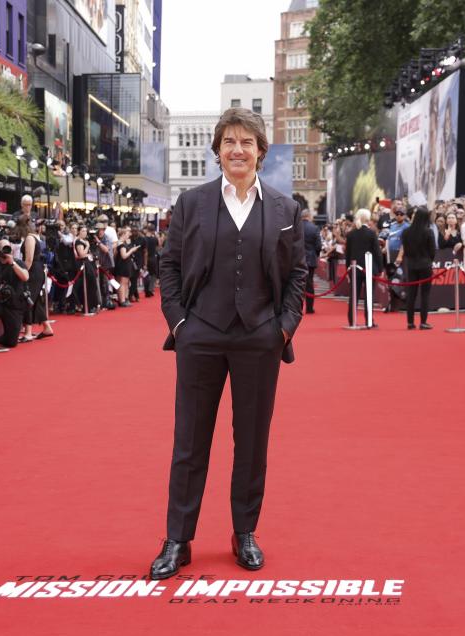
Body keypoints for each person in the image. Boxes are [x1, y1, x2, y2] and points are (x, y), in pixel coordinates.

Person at [151, 107, 306, 579]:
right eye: (228, 142)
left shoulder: (285, 209)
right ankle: (178, 539)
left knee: (252, 442)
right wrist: (180, 324)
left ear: (261, 151)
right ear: (216, 151)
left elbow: (298, 273)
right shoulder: (192, 204)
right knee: (189, 442)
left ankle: (245, 532)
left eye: (246, 142)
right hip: (200, 336)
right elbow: (170, 268)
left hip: (260, 338)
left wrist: (283, 326)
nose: (237, 150)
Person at [397, 206, 437, 330]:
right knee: (425, 294)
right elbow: (432, 251)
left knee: (411, 294)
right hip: (425, 265)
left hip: (412, 265)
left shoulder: (406, 232)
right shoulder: (428, 231)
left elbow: (406, 250)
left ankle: (410, 322)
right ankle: (423, 322)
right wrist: (428, 259)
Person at [16, 215, 53, 341]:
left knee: (28, 299)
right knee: (35, 300)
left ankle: (28, 332)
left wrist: (22, 272)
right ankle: (47, 327)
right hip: (38, 270)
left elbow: (29, 259)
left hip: (33, 271)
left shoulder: (30, 238)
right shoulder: (36, 237)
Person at [344, 208, 381, 325]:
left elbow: (348, 254)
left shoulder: (350, 234)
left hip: (354, 268)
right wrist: (380, 268)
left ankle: (351, 319)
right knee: (368, 295)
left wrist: (347, 269)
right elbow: (377, 252)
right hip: (369, 267)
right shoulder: (371, 233)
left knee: (353, 295)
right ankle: (369, 320)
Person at [301, 209, 322, 313]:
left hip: (298, 259)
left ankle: (297, 308)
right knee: (309, 283)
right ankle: (309, 308)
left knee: (297, 283)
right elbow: (318, 246)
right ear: (309, 216)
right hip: (310, 259)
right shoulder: (314, 228)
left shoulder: (296, 227)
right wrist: (315, 255)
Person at [114, 226, 138, 307]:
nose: (129, 235)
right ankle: (122, 300)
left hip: (122, 264)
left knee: (124, 282)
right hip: (123, 265)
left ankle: (123, 299)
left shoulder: (120, 243)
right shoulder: (121, 244)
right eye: (127, 234)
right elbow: (124, 256)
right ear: (123, 234)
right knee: (122, 283)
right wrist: (132, 250)